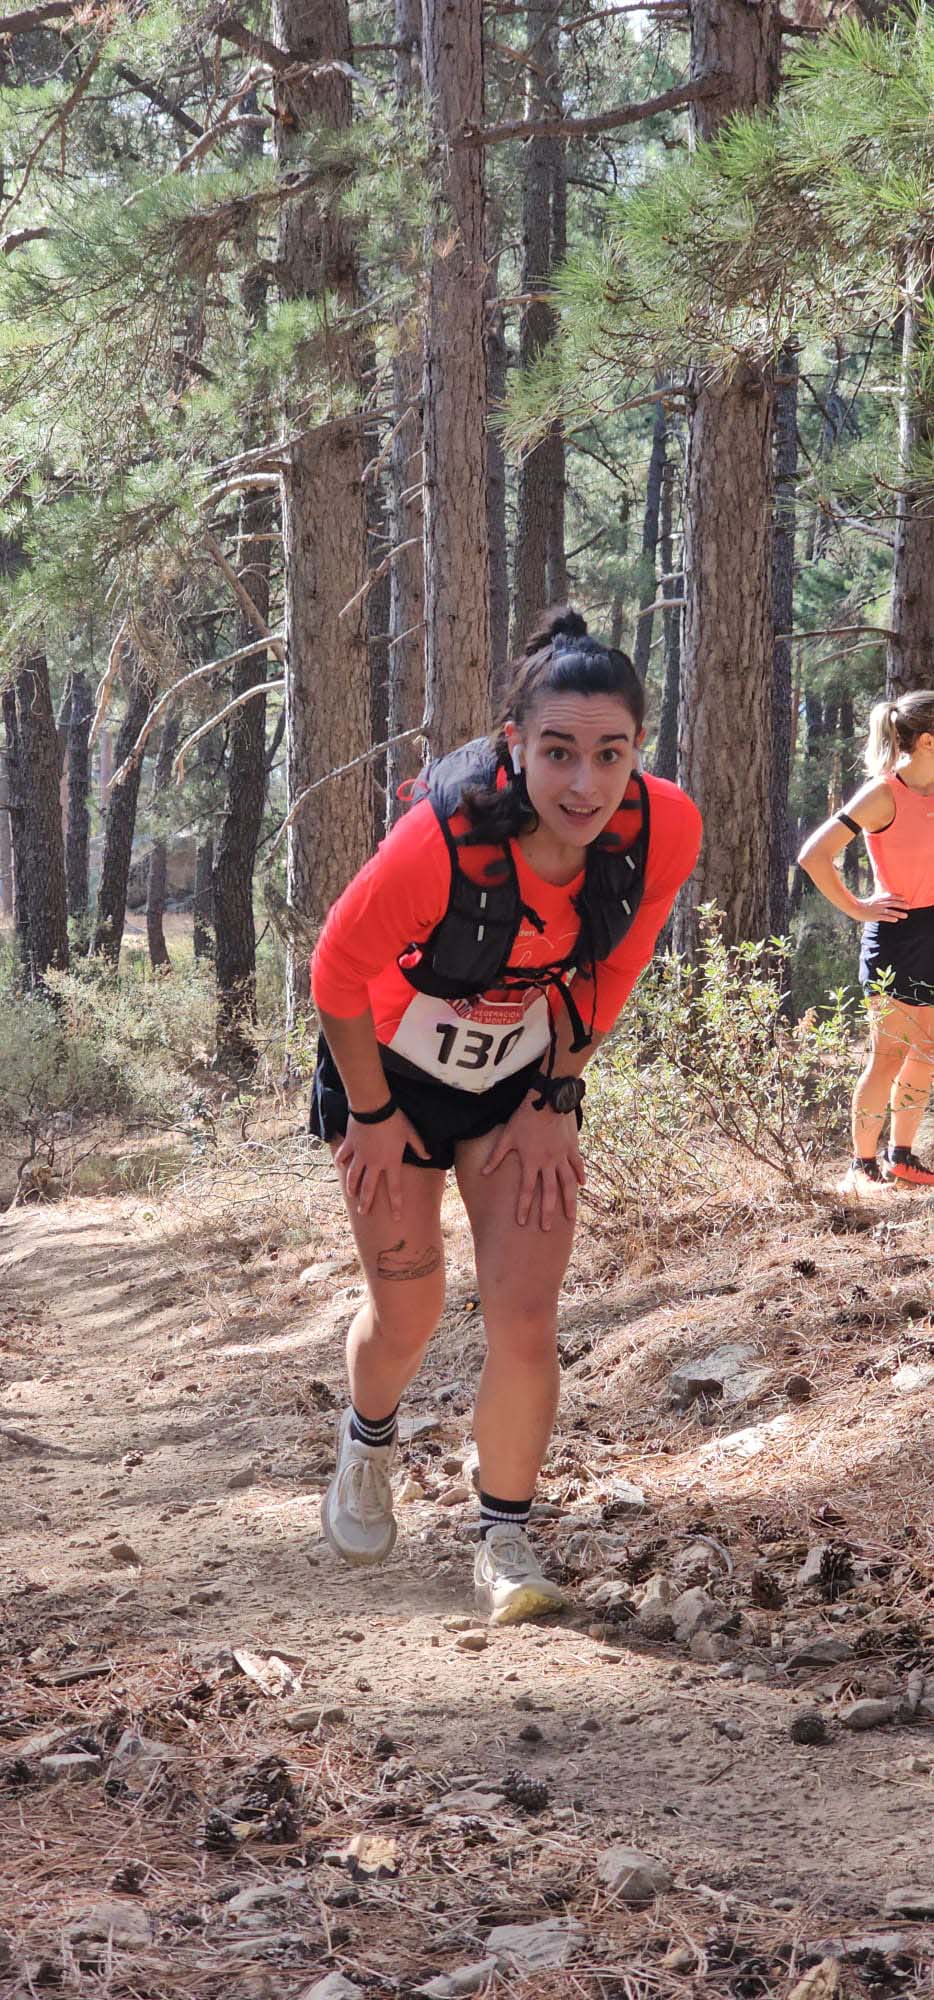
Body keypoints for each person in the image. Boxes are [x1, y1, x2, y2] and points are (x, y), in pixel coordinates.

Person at [309, 608, 702, 1623]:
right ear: (514, 744)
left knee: (525, 1314)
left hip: (522, 1073)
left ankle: (504, 1540)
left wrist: (556, 1095)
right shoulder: (437, 844)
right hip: (389, 1069)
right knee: (409, 1307)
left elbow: (615, 966)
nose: (584, 785)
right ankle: (368, 1438)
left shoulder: (663, 829)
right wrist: (371, 1112)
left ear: (638, 749)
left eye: (610, 755)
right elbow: (335, 973)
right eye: (558, 752)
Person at [799, 690, 934, 1188]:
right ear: (927, 741)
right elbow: (814, 855)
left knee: (927, 1052)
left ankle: (902, 1157)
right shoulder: (883, 794)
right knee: (887, 1055)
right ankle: (862, 1164)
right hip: (896, 936)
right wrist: (858, 908)